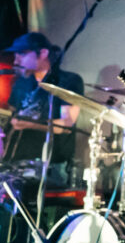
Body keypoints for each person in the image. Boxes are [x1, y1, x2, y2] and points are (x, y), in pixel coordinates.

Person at [0, 32, 83, 187]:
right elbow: (10, 117)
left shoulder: (68, 81)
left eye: (22, 54)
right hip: (14, 163)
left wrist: (30, 124)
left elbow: (65, 125)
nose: (16, 59)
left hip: (50, 166)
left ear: (43, 53)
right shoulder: (21, 83)